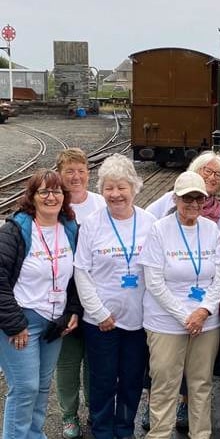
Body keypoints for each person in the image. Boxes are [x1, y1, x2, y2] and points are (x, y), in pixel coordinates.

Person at [143, 151, 220, 431]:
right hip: (166, 323)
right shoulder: (159, 230)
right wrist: (186, 315)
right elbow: (154, 281)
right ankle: (159, 435)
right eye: (187, 198)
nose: (193, 203)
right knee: (165, 386)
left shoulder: (212, 229)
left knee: (201, 385)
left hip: (206, 322)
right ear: (176, 199)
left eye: (198, 198)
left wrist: (204, 310)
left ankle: (201, 435)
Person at [73, 154, 155, 439]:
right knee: (103, 381)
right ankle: (102, 430)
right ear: (101, 190)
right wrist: (99, 313)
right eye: (109, 187)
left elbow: (158, 271)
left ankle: (124, 429)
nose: (115, 194)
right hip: (101, 321)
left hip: (139, 319)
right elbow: (81, 272)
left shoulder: (149, 222)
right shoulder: (93, 224)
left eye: (122, 187)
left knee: (132, 380)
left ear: (134, 187)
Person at [0, 169, 80, 438]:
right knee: (24, 388)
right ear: (31, 197)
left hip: (54, 323)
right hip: (22, 320)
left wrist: (72, 311)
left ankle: (34, 434)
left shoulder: (69, 228)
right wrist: (14, 325)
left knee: (43, 386)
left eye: (56, 191)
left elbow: (76, 277)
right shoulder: (16, 230)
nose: (51, 196)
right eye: (43, 191)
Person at [55, 147, 105, 439]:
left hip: (96, 295)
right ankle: (68, 415)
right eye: (69, 171)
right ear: (60, 175)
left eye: (80, 170)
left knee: (94, 363)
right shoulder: (55, 205)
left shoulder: (99, 203)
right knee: (68, 363)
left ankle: (92, 411)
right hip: (64, 298)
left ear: (89, 173)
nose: (75, 176)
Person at [146, 151, 220, 233]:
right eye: (207, 171)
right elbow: (146, 221)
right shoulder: (171, 198)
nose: (212, 177)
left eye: (218, 174)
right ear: (196, 170)